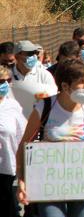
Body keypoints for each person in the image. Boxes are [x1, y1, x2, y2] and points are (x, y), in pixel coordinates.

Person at [16, 59, 84, 217]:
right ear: (65, 86)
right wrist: (21, 180)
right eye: (81, 83)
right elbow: (24, 146)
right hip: (48, 183)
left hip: (83, 182)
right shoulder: (44, 107)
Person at [0, 66, 26, 217]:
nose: (4, 84)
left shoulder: (13, 106)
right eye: (0, 81)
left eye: (7, 81)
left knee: (8, 206)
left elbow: (22, 135)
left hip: (6, 167)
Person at [11, 40, 58, 118]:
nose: (33, 56)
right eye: (29, 54)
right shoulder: (8, 76)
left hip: (37, 122)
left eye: (34, 53)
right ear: (17, 56)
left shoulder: (44, 75)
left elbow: (53, 99)